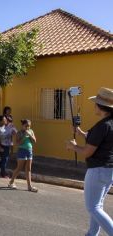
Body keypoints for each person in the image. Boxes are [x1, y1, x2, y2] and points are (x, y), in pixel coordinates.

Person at [66, 87, 113, 236]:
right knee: (97, 206)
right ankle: (92, 234)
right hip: (108, 170)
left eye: (96, 103)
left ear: (101, 106)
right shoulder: (109, 124)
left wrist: (73, 146)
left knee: (93, 207)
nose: (94, 106)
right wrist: (81, 133)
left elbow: (87, 151)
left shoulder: (102, 125)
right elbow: (99, 141)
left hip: (98, 170)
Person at [8, 119, 38, 192]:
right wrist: (24, 136)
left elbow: (34, 141)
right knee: (19, 168)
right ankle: (11, 182)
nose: (27, 127)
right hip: (22, 151)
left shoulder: (31, 131)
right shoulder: (19, 132)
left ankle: (29, 186)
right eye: (26, 126)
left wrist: (30, 135)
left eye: (29, 126)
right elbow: (18, 143)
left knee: (28, 169)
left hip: (29, 151)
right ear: (23, 125)